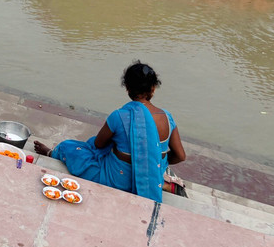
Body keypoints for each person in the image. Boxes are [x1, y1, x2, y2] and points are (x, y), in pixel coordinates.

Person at [34, 62, 186, 202]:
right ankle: (162, 181)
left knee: (69, 147)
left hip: (118, 180)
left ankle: (50, 153)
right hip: (150, 179)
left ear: (127, 88)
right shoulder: (167, 118)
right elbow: (180, 156)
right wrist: (152, 160)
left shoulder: (119, 116)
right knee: (152, 159)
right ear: (153, 89)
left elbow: (98, 144)